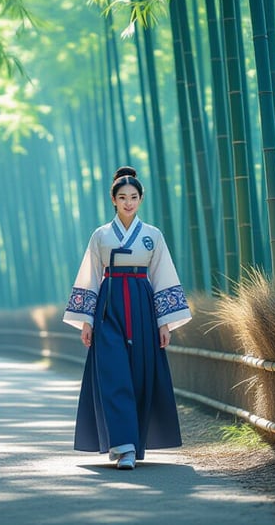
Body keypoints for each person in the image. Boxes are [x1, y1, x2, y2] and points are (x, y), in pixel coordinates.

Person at [63, 166, 191, 470]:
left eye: (133, 197)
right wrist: (86, 321)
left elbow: (162, 278)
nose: (128, 202)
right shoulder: (101, 236)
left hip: (142, 306)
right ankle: (123, 446)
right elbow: (91, 276)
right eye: (122, 197)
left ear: (140, 199)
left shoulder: (152, 236)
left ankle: (132, 442)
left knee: (139, 374)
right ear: (114, 200)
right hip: (108, 308)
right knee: (113, 373)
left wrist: (165, 323)